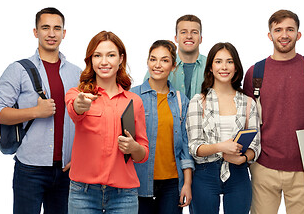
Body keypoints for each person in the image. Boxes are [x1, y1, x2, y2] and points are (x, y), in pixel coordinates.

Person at [0, 7, 82, 214]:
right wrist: (35, 112)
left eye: (57, 28)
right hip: (30, 169)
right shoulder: (17, 70)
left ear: (64, 33)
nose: (51, 34)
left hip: (67, 170)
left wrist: (77, 156)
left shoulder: (76, 73)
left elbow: (83, 120)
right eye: (45, 28)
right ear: (35, 32)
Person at [243, 9, 304, 214]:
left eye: (290, 29)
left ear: (298, 34)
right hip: (263, 166)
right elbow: (246, 122)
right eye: (278, 30)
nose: (284, 35)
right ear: (270, 35)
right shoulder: (255, 73)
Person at [65, 31, 149, 214]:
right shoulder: (77, 94)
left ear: (121, 59)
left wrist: (134, 147)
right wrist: (80, 105)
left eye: (110, 55)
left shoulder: (134, 101)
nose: (104, 62)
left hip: (124, 195)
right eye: (97, 55)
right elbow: (74, 109)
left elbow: (143, 153)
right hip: (83, 194)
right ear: (91, 60)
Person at [186, 42, 261, 214]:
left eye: (229, 61)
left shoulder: (248, 102)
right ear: (210, 67)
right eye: (218, 61)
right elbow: (194, 147)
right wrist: (221, 147)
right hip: (205, 173)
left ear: (236, 67)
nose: (224, 67)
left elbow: (255, 146)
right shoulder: (198, 102)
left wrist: (243, 159)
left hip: (238, 173)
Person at [131, 40, 195, 214]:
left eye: (164, 60)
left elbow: (186, 148)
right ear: (147, 62)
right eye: (153, 59)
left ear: (173, 66)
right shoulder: (132, 96)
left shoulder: (182, 101)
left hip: (172, 184)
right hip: (138, 181)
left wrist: (187, 184)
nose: (157, 65)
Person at [145, 14, 206, 100]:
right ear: (176, 38)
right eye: (183, 32)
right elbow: (145, 96)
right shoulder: (160, 66)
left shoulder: (211, 65)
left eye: (194, 32)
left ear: (201, 39)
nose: (189, 36)